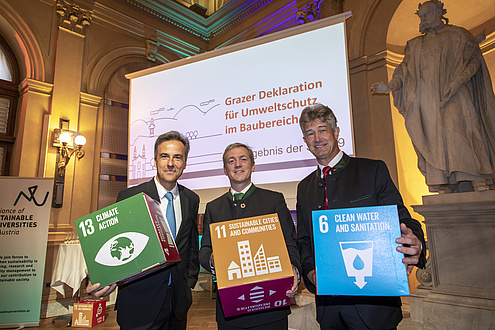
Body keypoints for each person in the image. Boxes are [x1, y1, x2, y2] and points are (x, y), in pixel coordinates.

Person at [296, 104, 426, 329]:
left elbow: (403, 220)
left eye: (322, 130)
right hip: (329, 311)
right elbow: (305, 241)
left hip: (374, 309)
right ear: (305, 141)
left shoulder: (372, 171)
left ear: (336, 133)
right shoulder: (304, 187)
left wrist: (417, 243)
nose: (317, 138)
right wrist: (310, 272)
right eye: (310, 133)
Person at [371, 0, 495, 193]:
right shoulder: (415, 45)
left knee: (460, 132)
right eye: (421, 16)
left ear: (439, 13)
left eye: (426, 15)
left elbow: (474, 61)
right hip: (426, 103)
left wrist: (460, 80)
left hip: (455, 95)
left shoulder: (458, 35)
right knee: (433, 140)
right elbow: (403, 72)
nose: (423, 20)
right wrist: (389, 86)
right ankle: (442, 182)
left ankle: (476, 178)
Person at [86, 131, 200, 330]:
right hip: (139, 304)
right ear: (154, 161)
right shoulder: (130, 197)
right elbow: (114, 243)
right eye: (164, 156)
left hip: (177, 305)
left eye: (177, 157)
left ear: (185, 163)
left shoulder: (191, 199)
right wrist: (100, 277)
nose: (171, 163)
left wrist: (189, 283)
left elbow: (190, 246)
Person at [199, 142, 301, 330]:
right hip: (230, 313)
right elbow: (205, 250)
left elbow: (290, 244)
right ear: (225, 169)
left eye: (243, 159)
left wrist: (293, 268)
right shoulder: (213, 208)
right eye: (231, 161)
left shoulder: (273, 200)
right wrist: (213, 259)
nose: (238, 164)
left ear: (253, 166)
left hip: (271, 311)